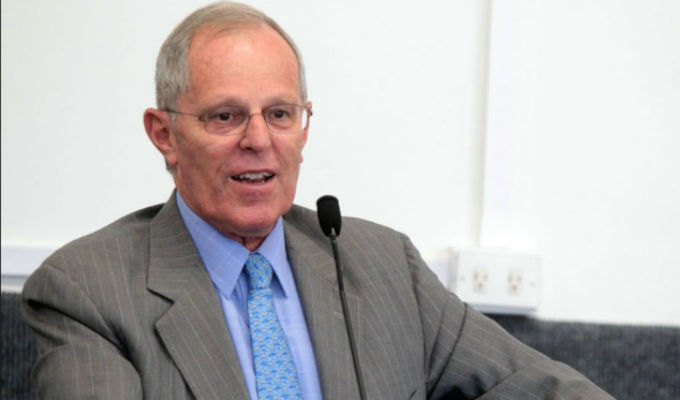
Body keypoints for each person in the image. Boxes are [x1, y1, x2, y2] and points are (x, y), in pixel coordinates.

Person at [21, 2, 612, 399]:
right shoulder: (88, 292)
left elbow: (541, 388)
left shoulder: (385, 266)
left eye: (280, 114)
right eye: (226, 117)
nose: (259, 140)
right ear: (164, 134)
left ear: (304, 128)